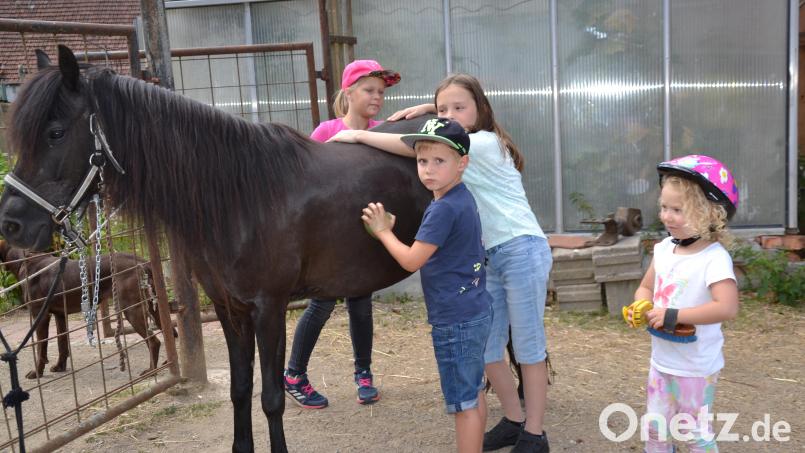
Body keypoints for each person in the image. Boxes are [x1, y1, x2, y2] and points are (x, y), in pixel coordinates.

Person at [330, 74, 552, 453]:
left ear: (481, 110)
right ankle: (514, 420)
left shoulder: (481, 144)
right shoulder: (460, 148)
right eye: (444, 107)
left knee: (529, 344)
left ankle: (535, 433)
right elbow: (446, 130)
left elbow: (422, 146)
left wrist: (361, 135)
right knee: (489, 349)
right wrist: (432, 110)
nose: (450, 114)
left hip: (520, 248)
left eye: (458, 107)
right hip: (491, 256)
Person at [361, 117, 492, 453]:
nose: (428, 170)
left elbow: (411, 260)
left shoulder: (443, 208)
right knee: (473, 392)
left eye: (439, 161)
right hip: (475, 309)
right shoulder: (460, 197)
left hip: (455, 319)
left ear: (462, 164)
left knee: (463, 404)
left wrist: (383, 232)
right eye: (422, 160)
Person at [284, 59, 401, 408]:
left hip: (366, 235)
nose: (377, 97)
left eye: (381, 92)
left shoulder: (384, 132)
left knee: (361, 304)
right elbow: (303, 182)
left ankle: (363, 374)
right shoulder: (325, 132)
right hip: (330, 242)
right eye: (369, 90)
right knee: (321, 303)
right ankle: (293, 374)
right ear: (348, 92)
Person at [624, 154, 740, 452]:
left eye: (678, 209)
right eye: (664, 207)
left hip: (696, 368)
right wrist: (642, 305)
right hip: (662, 361)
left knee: (692, 433)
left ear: (710, 213)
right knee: (655, 428)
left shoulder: (714, 259)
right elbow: (646, 286)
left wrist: (674, 315)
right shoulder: (663, 250)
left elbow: (727, 307)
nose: (667, 216)